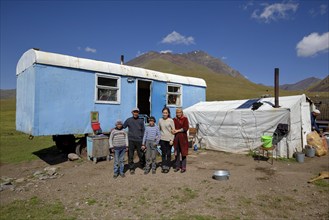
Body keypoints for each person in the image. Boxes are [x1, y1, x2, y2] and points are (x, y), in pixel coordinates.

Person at [123, 107, 145, 174]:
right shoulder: (128, 120)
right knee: (130, 155)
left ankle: (142, 165)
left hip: (139, 140)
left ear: (138, 113)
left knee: (141, 154)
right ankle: (131, 168)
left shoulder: (141, 121)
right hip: (131, 140)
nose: (135, 113)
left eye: (137, 112)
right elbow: (123, 126)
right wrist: (115, 129)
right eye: (134, 112)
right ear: (132, 112)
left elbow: (143, 130)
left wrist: (143, 141)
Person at [172, 108, 189, 173]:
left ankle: (183, 167)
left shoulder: (185, 119)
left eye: (179, 112)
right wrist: (172, 131)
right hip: (176, 138)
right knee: (176, 153)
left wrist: (177, 130)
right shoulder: (174, 120)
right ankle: (177, 166)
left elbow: (186, 128)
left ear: (182, 113)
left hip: (183, 139)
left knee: (183, 153)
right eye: (177, 112)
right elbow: (172, 127)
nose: (178, 114)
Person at [158, 107, 175, 173]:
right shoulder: (160, 120)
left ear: (168, 114)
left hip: (169, 140)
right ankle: (163, 166)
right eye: (163, 113)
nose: (164, 114)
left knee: (168, 153)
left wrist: (172, 140)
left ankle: (167, 166)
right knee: (163, 153)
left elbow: (173, 131)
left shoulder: (171, 120)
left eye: (166, 113)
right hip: (162, 139)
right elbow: (158, 130)